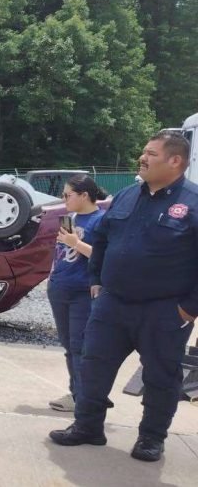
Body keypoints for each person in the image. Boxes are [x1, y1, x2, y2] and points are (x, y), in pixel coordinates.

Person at [49, 130, 197, 462]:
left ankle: (151, 438)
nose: (142, 158)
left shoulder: (193, 203)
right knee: (92, 366)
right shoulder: (127, 195)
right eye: (143, 152)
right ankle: (88, 427)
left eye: (151, 154)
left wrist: (188, 310)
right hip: (113, 303)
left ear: (175, 161)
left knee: (161, 377)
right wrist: (97, 281)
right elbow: (100, 239)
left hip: (165, 311)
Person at [46, 174, 107, 412]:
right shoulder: (69, 218)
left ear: (84, 195)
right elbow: (60, 252)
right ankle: (76, 393)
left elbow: (104, 256)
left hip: (82, 291)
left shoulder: (101, 221)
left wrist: (76, 243)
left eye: (67, 195)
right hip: (60, 287)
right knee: (68, 345)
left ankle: (85, 397)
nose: (64, 200)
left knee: (80, 346)